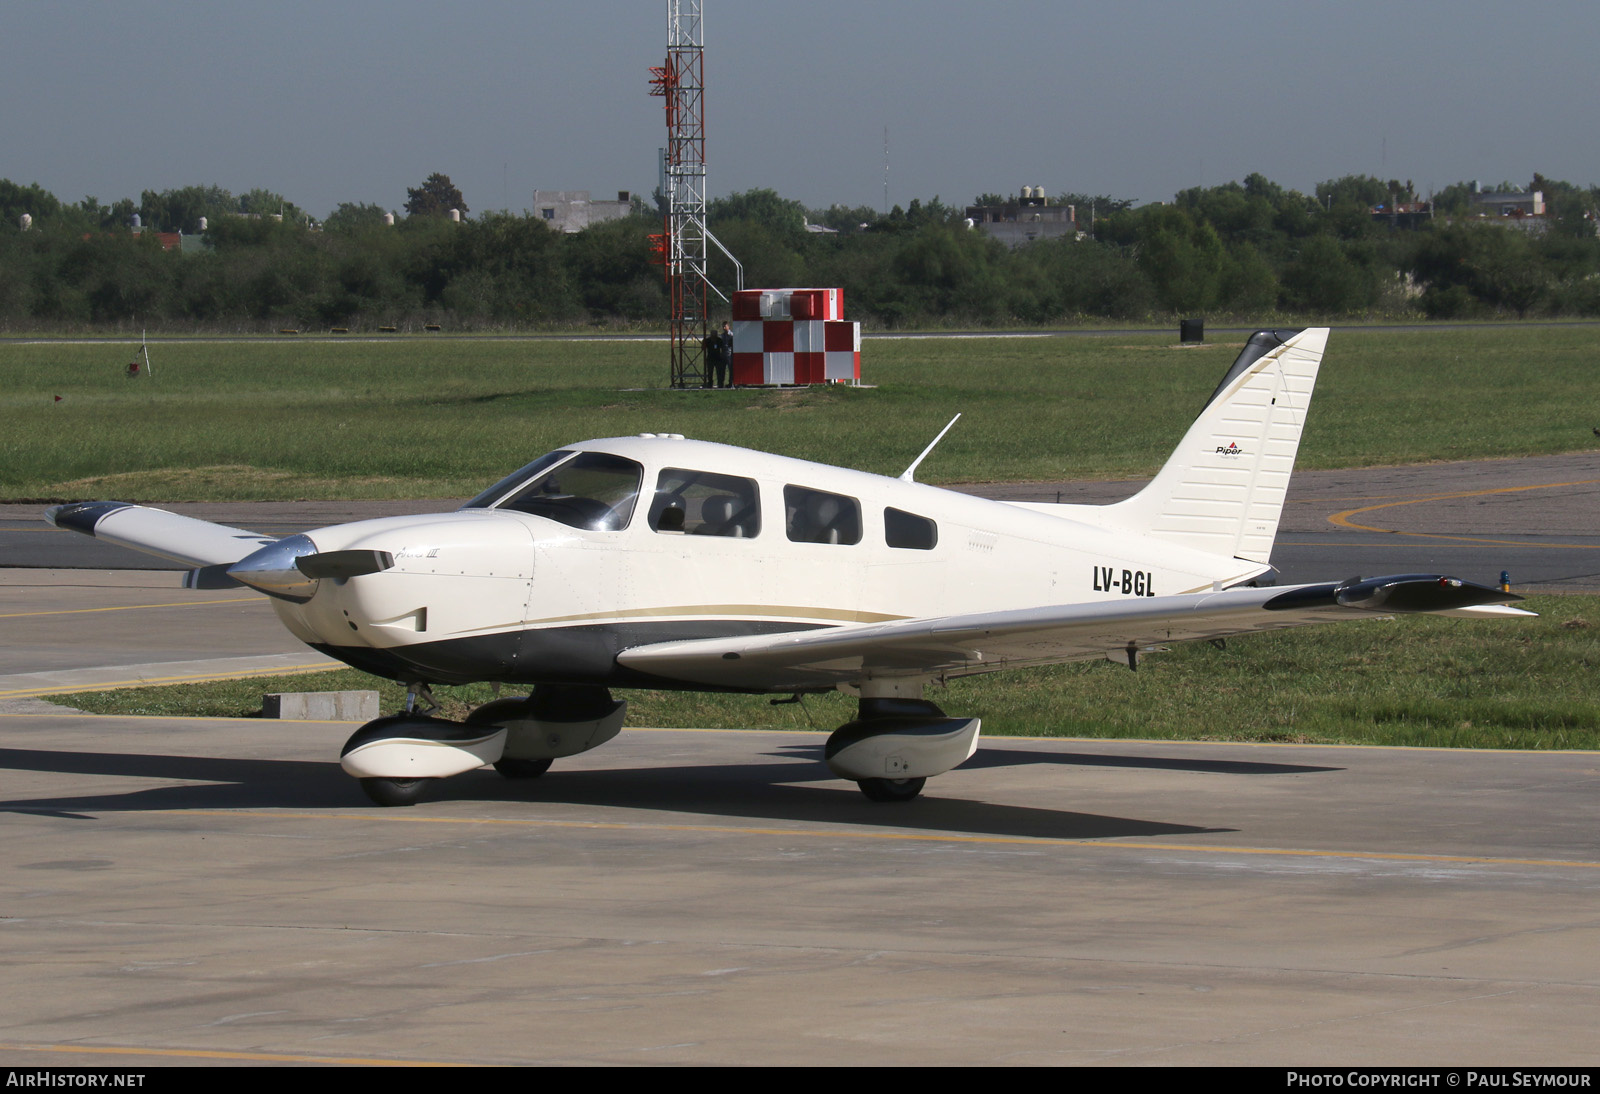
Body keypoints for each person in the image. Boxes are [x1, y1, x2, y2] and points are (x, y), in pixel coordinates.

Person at [718, 321, 734, 387]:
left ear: (728, 327)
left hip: (729, 354)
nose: (724, 328)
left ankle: (731, 383)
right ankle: (721, 383)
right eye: (723, 327)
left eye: (725, 326)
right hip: (723, 354)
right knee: (722, 369)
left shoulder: (732, 335)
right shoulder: (722, 335)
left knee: (730, 369)